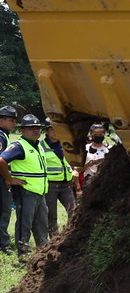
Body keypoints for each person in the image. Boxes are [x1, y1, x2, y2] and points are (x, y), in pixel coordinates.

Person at [0, 114, 49, 256]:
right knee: (24, 225)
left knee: (42, 225)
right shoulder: (19, 146)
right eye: (31, 128)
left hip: (40, 192)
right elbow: (2, 160)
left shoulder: (38, 146)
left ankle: (43, 254)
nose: (35, 131)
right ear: (23, 130)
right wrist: (9, 178)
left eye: (37, 128)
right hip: (25, 192)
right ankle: (23, 255)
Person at [42, 119, 76, 235]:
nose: (56, 132)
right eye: (52, 129)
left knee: (73, 211)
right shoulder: (41, 147)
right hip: (51, 185)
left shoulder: (65, 144)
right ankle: (54, 241)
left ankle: (71, 235)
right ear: (47, 131)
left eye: (58, 129)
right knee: (52, 216)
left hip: (66, 184)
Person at [0, 105, 17, 253]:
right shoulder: (0, 136)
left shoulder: (3, 135)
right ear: (1, 120)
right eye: (11, 120)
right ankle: (3, 245)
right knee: (4, 211)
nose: (14, 123)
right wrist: (8, 178)